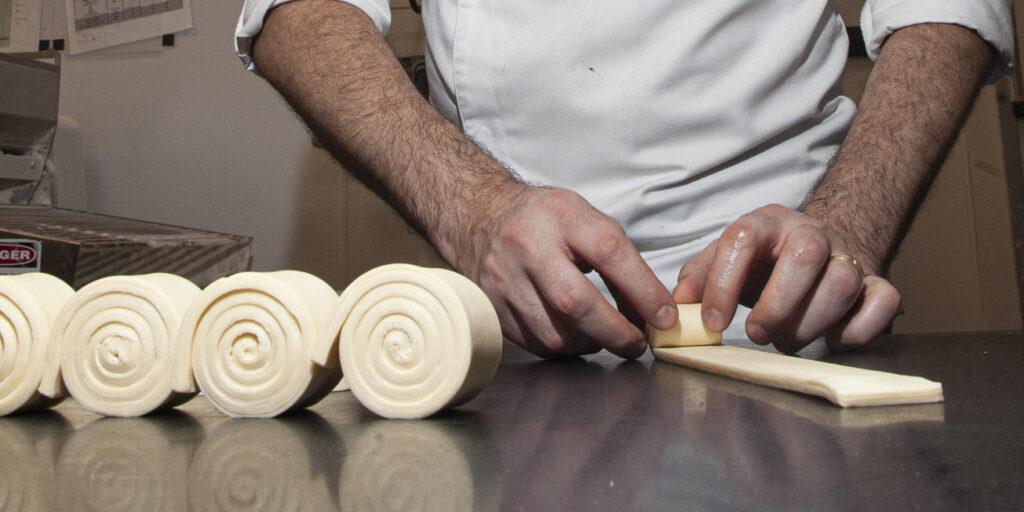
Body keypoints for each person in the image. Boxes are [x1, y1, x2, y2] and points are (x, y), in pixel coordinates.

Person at [234, 0, 1013, 358]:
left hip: (783, 318)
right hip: (509, 334)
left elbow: (945, 9)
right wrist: (475, 209)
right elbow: (297, 13)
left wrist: (848, 229)